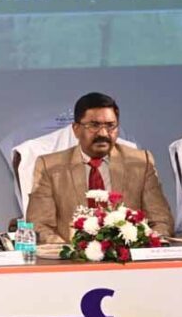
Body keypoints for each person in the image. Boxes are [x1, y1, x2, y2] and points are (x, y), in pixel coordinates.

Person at [27, 92, 173, 243]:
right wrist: (71, 252)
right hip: (72, 253)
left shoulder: (141, 163)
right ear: (76, 129)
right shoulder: (50, 167)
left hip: (128, 254)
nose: (103, 133)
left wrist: (145, 245)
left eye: (110, 126)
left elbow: (161, 221)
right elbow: (40, 225)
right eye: (94, 125)